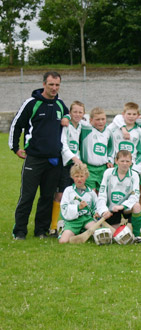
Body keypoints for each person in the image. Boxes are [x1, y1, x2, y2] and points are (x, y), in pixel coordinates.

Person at [9, 71, 69, 240]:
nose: (54, 88)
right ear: (44, 84)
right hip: (34, 158)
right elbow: (17, 124)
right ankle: (19, 231)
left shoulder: (60, 105)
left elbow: (68, 117)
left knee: (47, 197)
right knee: (27, 195)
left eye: (57, 85)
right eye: (51, 84)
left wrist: (66, 117)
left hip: (54, 160)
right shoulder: (32, 103)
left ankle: (41, 230)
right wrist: (15, 147)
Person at [50, 101, 86, 236]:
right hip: (65, 164)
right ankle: (53, 226)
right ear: (69, 113)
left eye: (80, 112)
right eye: (74, 112)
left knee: (74, 194)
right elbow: (63, 145)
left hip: (76, 165)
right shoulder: (66, 125)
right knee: (60, 194)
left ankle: (69, 224)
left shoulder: (82, 125)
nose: (77, 114)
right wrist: (74, 158)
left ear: (83, 114)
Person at [96, 150, 141, 243]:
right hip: (112, 210)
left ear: (131, 162)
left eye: (127, 161)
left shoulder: (134, 175)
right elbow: (102, 195)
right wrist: (103, 211)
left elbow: (135, 196)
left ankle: (137, 236)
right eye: (122, 161)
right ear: (116, 161)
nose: (125, 164)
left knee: (137, 206)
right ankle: (123, 225)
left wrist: (122, 206)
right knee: (116, 235)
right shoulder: (108, 173)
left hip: (125, 208)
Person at [58, 163, 98, 244]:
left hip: (87, 219)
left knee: (99, 233)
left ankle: (82, 231)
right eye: (76, 176)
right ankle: (65, 228)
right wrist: (78, 207)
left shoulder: (91, 193)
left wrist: (96, 213)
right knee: (63, 241)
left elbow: (95, 207)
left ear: (86, 176)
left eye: (82, 176)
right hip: (73, 221)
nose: (79, 179)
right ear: (72, 176)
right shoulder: (68, 190)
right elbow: (64, 207)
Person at [79, 107, 114, 191]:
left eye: (103, 119)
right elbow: (75, 118)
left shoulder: (108, 131)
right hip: (88, 167)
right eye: (97, 119)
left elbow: (111, 147)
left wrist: (110, 159)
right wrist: (67, 117)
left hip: (103, 168)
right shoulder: (86, 129)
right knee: (91, 193)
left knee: (101, 194)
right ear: (91, 120)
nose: (101, 122)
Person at [108, 102, 141, 174]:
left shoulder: (139, 132)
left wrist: (136, 168)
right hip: (116, 165)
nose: (131, 116)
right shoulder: (114, 128)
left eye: (134, 114)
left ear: (138, 116)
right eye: (129, 114)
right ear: (123, 114)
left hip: (131, 166)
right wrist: (110, 161)